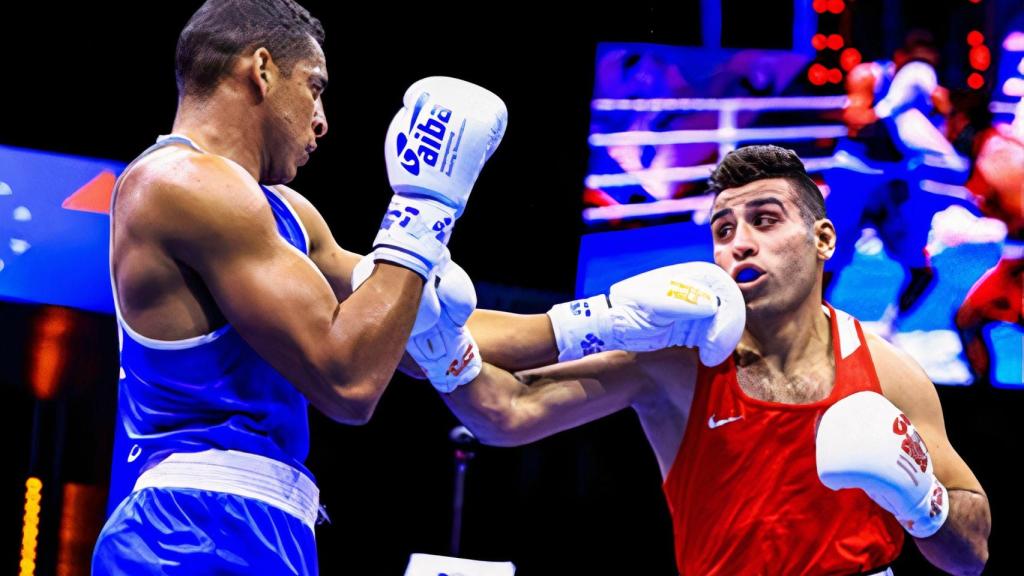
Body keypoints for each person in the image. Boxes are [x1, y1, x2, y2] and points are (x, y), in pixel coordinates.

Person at [406, 145, 990, 575]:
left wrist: (925, 502)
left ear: (824, 241)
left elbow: (972, 555)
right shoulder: (677, 360)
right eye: (723, 229)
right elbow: (507, 411)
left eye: (765, 220)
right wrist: (436, 340)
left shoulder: (889, 373)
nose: (739, 242)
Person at [91, 1, 506, 573]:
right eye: (315, 87)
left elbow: (407, 333)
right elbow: (349, 380)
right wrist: (424, 207)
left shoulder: (285, 213)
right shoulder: (178, 181)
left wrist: (603, 324)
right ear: (261, 70)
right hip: (191, 528)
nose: (322, 120)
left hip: (267, 525)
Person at [947, 89, 1024, 384]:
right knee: (967, 319)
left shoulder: (997, 155)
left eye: (950, 120)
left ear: (962, 121)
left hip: (1018, 262)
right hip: (1013, 259)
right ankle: (983, 393)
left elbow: (1018, 211)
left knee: (968, 319)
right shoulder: (993, 146)